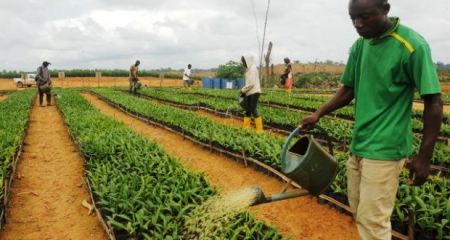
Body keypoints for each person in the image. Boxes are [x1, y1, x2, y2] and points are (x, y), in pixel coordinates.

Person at [299, 0, 443, 239]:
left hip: (386, 148)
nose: (358, 24)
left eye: (365, 16)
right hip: (360, 144)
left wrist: (425, 157)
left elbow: (434, 102)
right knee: (360, 213)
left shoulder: (411, 45)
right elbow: (347, 91)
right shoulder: (360, 46)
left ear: (386, 10)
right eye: (353, 18)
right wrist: (318, 113)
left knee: (373, 222)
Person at [241, 55, 263, 133]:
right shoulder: (249, 69)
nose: (243, 63)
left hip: (254, 92)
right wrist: (244, 92)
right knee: (248, 110)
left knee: (253, 110)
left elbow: (252, 83)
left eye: (244, 61)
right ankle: (246, 128)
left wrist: (243, 90)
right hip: (249, 92)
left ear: (248, 60)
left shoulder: (253, 68)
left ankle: (259, 130)